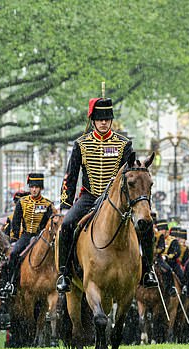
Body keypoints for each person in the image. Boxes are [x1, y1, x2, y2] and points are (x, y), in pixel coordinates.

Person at [56, 97, 155, 292]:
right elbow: (71, 175)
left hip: (116, 199)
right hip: (89, 197)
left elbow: (132, 171)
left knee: (147, 226)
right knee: (67, 225)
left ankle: (148, 270)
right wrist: (66, 203)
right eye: (100, 118)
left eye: (107, 118)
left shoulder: (124, 144)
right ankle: (64, 273)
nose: (103, 122)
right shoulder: (81, 144)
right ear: (93, 120)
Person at [0, 173, 54, 296]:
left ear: (41, 188)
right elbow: (16, 222)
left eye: (37, 187)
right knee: (14, 254)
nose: (34, 189)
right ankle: (11, 282)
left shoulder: (48, 204)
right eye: (32, 187)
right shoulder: (22, 202)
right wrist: (14, 239)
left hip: (42, 236)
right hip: (27, 236)